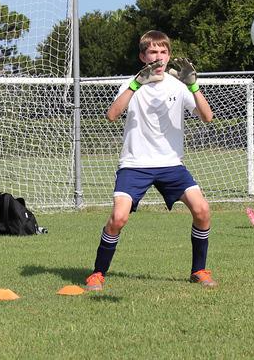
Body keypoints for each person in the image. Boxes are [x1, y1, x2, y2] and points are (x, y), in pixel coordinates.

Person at [85, 30, 217, 290]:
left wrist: (193, 86)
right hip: (135, 164)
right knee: (118, 218)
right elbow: (112, 115)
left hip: (171, 165)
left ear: (168, 55)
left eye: (163, 52)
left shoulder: (178, 85)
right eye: (153, 52)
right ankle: (97, 274)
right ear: (143, 56)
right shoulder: (131, 84)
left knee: (202, 210)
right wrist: (136, 85)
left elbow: (207, 117)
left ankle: (199, 270)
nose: (159, 57)